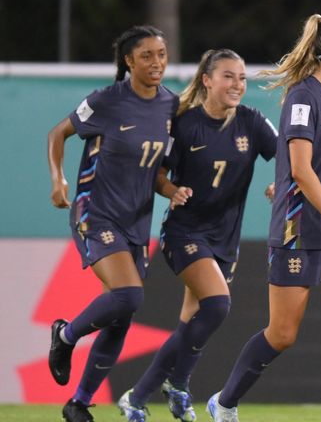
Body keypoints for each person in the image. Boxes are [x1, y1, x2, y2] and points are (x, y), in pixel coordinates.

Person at [206, 14, 321, 422]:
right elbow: (301, 169)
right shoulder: (304, 97)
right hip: (300, 229)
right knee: (282, 334)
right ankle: (224, 403)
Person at [114, 49, 278, 422]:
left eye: (242, 78)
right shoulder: (184, 124)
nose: (237, 85)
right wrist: (171, 190)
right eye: (227, 76)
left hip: (225, 238)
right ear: (206, 80)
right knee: (218, 304)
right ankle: (141, 395)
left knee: (192, 322)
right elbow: (155, 173)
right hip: (185, 232)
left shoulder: (252, 123)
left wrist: (277, 183)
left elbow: (288, 153)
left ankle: (171, 387)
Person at [46, 25, 178, 422]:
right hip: (95, 210)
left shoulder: (172, 107)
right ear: (129, 62)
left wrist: (174, 190)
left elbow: (158, 173)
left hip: (136, 221)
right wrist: (59, 178)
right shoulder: (107, 101)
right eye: (147, 56)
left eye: (161, 54)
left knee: (121, 317)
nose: (157, 63)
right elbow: (58, 133)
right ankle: (65, 335)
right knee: (128, 295)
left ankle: (79, 404)